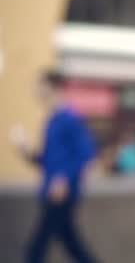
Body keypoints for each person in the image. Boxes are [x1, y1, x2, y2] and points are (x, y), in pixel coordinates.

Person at [12, 70, 97, 263]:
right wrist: (26, 151)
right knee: (71, 244)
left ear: (53, 88)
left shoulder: (70, 118)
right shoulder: (51, 120)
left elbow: (87, 154)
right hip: (51, 193)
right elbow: (49, 161)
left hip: (61, 196)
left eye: (40, 86)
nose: (36, 91)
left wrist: (64, 179)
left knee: (37, 247)